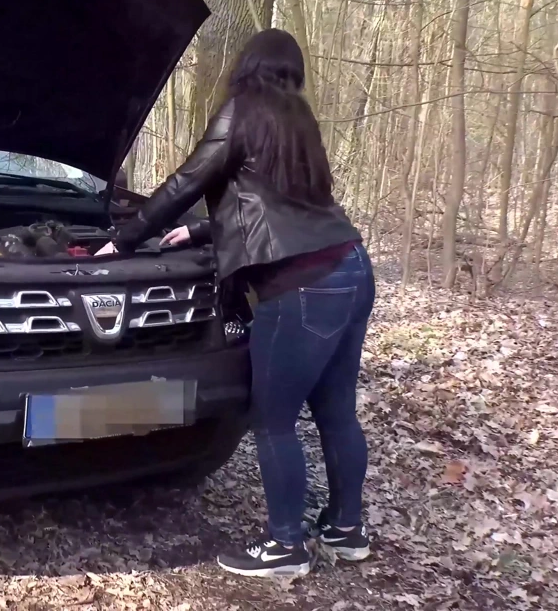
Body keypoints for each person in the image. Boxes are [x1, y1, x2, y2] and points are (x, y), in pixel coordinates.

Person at [96, 29, 374, 578]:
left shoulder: (241, 111)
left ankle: (285, 546)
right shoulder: (298, 120)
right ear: (293, 71)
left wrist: (123, 240)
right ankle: (346, 530)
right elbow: (280, 200)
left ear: (247, 65)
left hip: (300, 284)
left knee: (272, 419)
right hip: (351, 267)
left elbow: (186, 181)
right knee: (336, 407)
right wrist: (201, 234)